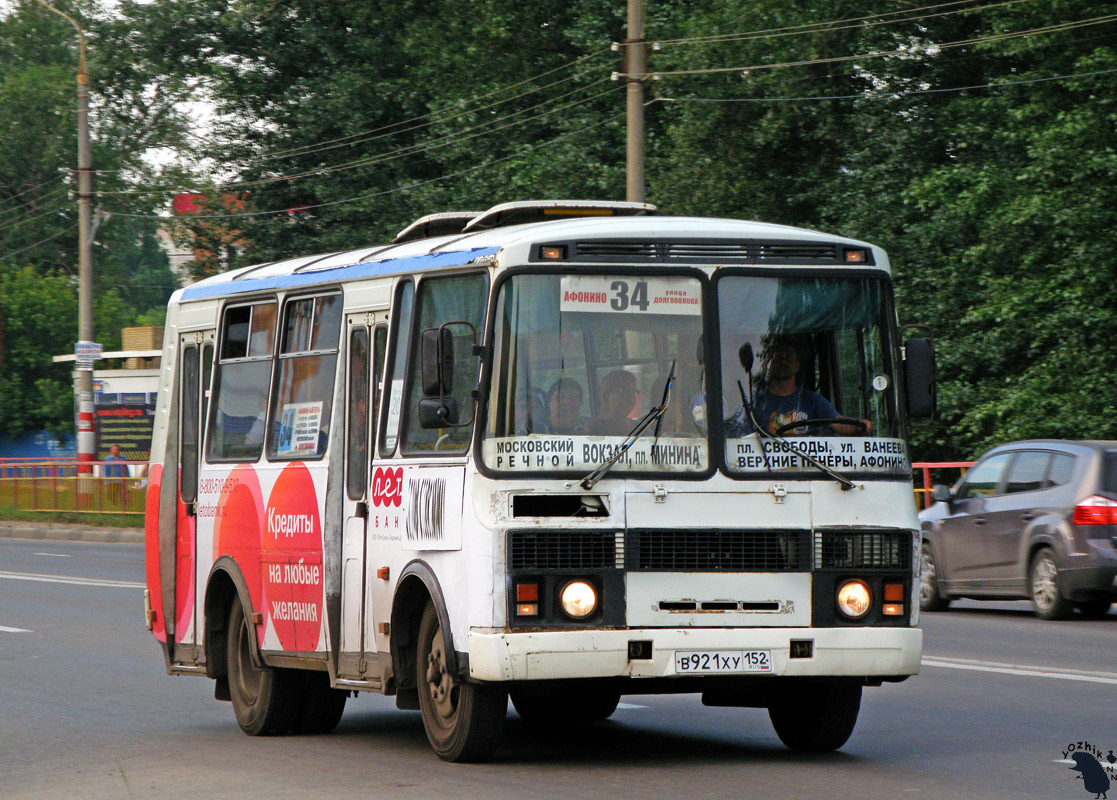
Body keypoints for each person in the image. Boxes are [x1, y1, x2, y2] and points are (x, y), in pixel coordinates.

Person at [727, 339, 869, 436]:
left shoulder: (813, 401)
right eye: (779, 359)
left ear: (797, 366)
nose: (783, 363)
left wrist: (859, 426)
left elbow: (838, 423)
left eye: (788, 359)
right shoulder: (756, 403)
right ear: (770, 365)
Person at [586, 369, 638, 436]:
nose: (631, 397)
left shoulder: (640, 427)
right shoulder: (595, 426)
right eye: (624, 391)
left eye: (633, 392)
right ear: (607, 395)